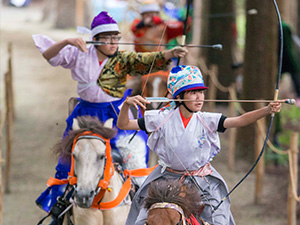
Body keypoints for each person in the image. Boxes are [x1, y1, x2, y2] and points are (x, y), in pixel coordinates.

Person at [32, 11, 188, 213]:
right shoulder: (78, 54)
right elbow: (48, 55)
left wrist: (170, 54)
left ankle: (140, 203)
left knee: (134, 154)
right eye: (108, 39)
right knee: (70, 159)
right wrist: (66, 42)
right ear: (95, 40)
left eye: (116, 39)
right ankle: (62, 204)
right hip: (85, 114)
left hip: (115, 113)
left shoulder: (122, 59)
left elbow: (145, 58)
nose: (114, 44)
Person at [117, 65, 281, 225]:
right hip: (165, 180)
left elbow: (240, 120)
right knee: (140, 218)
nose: (199, 97)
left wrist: (267, 110)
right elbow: (123, 124)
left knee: (219, 219)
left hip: (201, 179)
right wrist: (126, 105)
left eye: (201, 92)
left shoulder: (207, 119)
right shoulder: (161, 117)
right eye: (193, 93)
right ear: (179, 97)